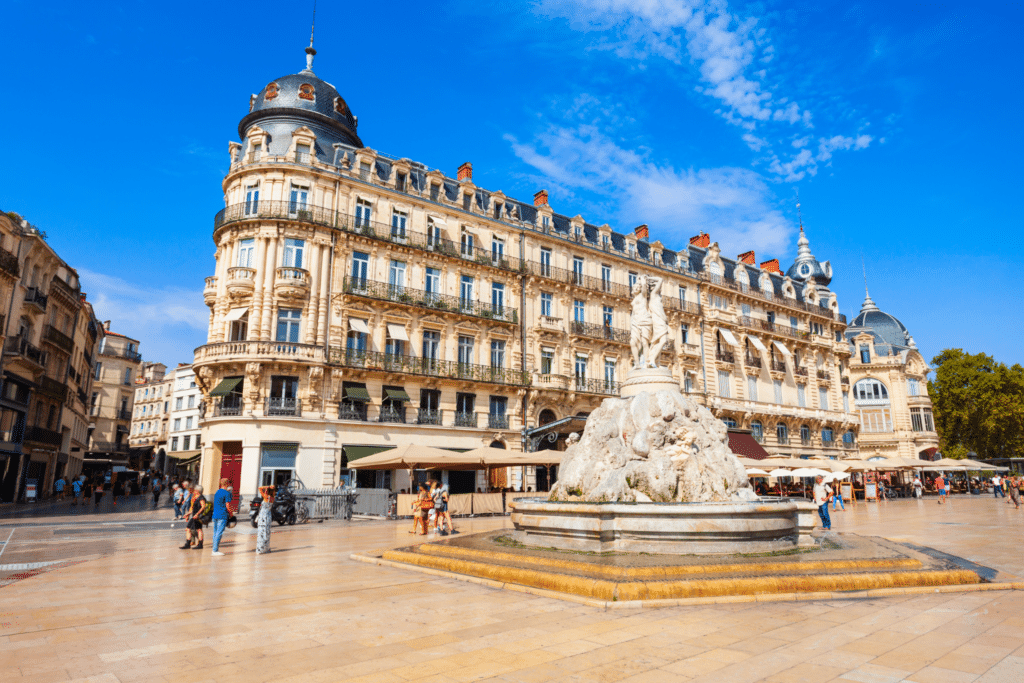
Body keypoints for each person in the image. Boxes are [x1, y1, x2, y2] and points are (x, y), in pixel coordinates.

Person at [211, 478, 235, 556]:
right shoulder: (226, 493)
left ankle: (214, 549)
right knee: (219, 532)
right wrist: (231, 513)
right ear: (227, 483)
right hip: (222, 514)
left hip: (215, 514)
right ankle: (215, 550)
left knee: (215, 532)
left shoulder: (217, 492)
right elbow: (227, 505)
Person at [180, 484, 207, 550]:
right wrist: (187, 514)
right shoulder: (196, 497)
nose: (194, 491)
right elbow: (192, 508)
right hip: (195, 516)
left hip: (198, 516)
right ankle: (189, 544)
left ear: (197, 490)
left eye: (195, 490)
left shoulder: (201, 497)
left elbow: (203, 507)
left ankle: (197, 544)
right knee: (192, 529)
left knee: (197, 529)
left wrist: (197, 514)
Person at [256, 485, 274, 554]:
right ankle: (266, 548)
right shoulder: (272, 498)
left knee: (261, 532)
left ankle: (260, 549)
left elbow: (259, 488)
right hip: (268, 516)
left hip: (263, 516)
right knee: (267, 532)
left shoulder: (266, 497)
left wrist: (267, 486)